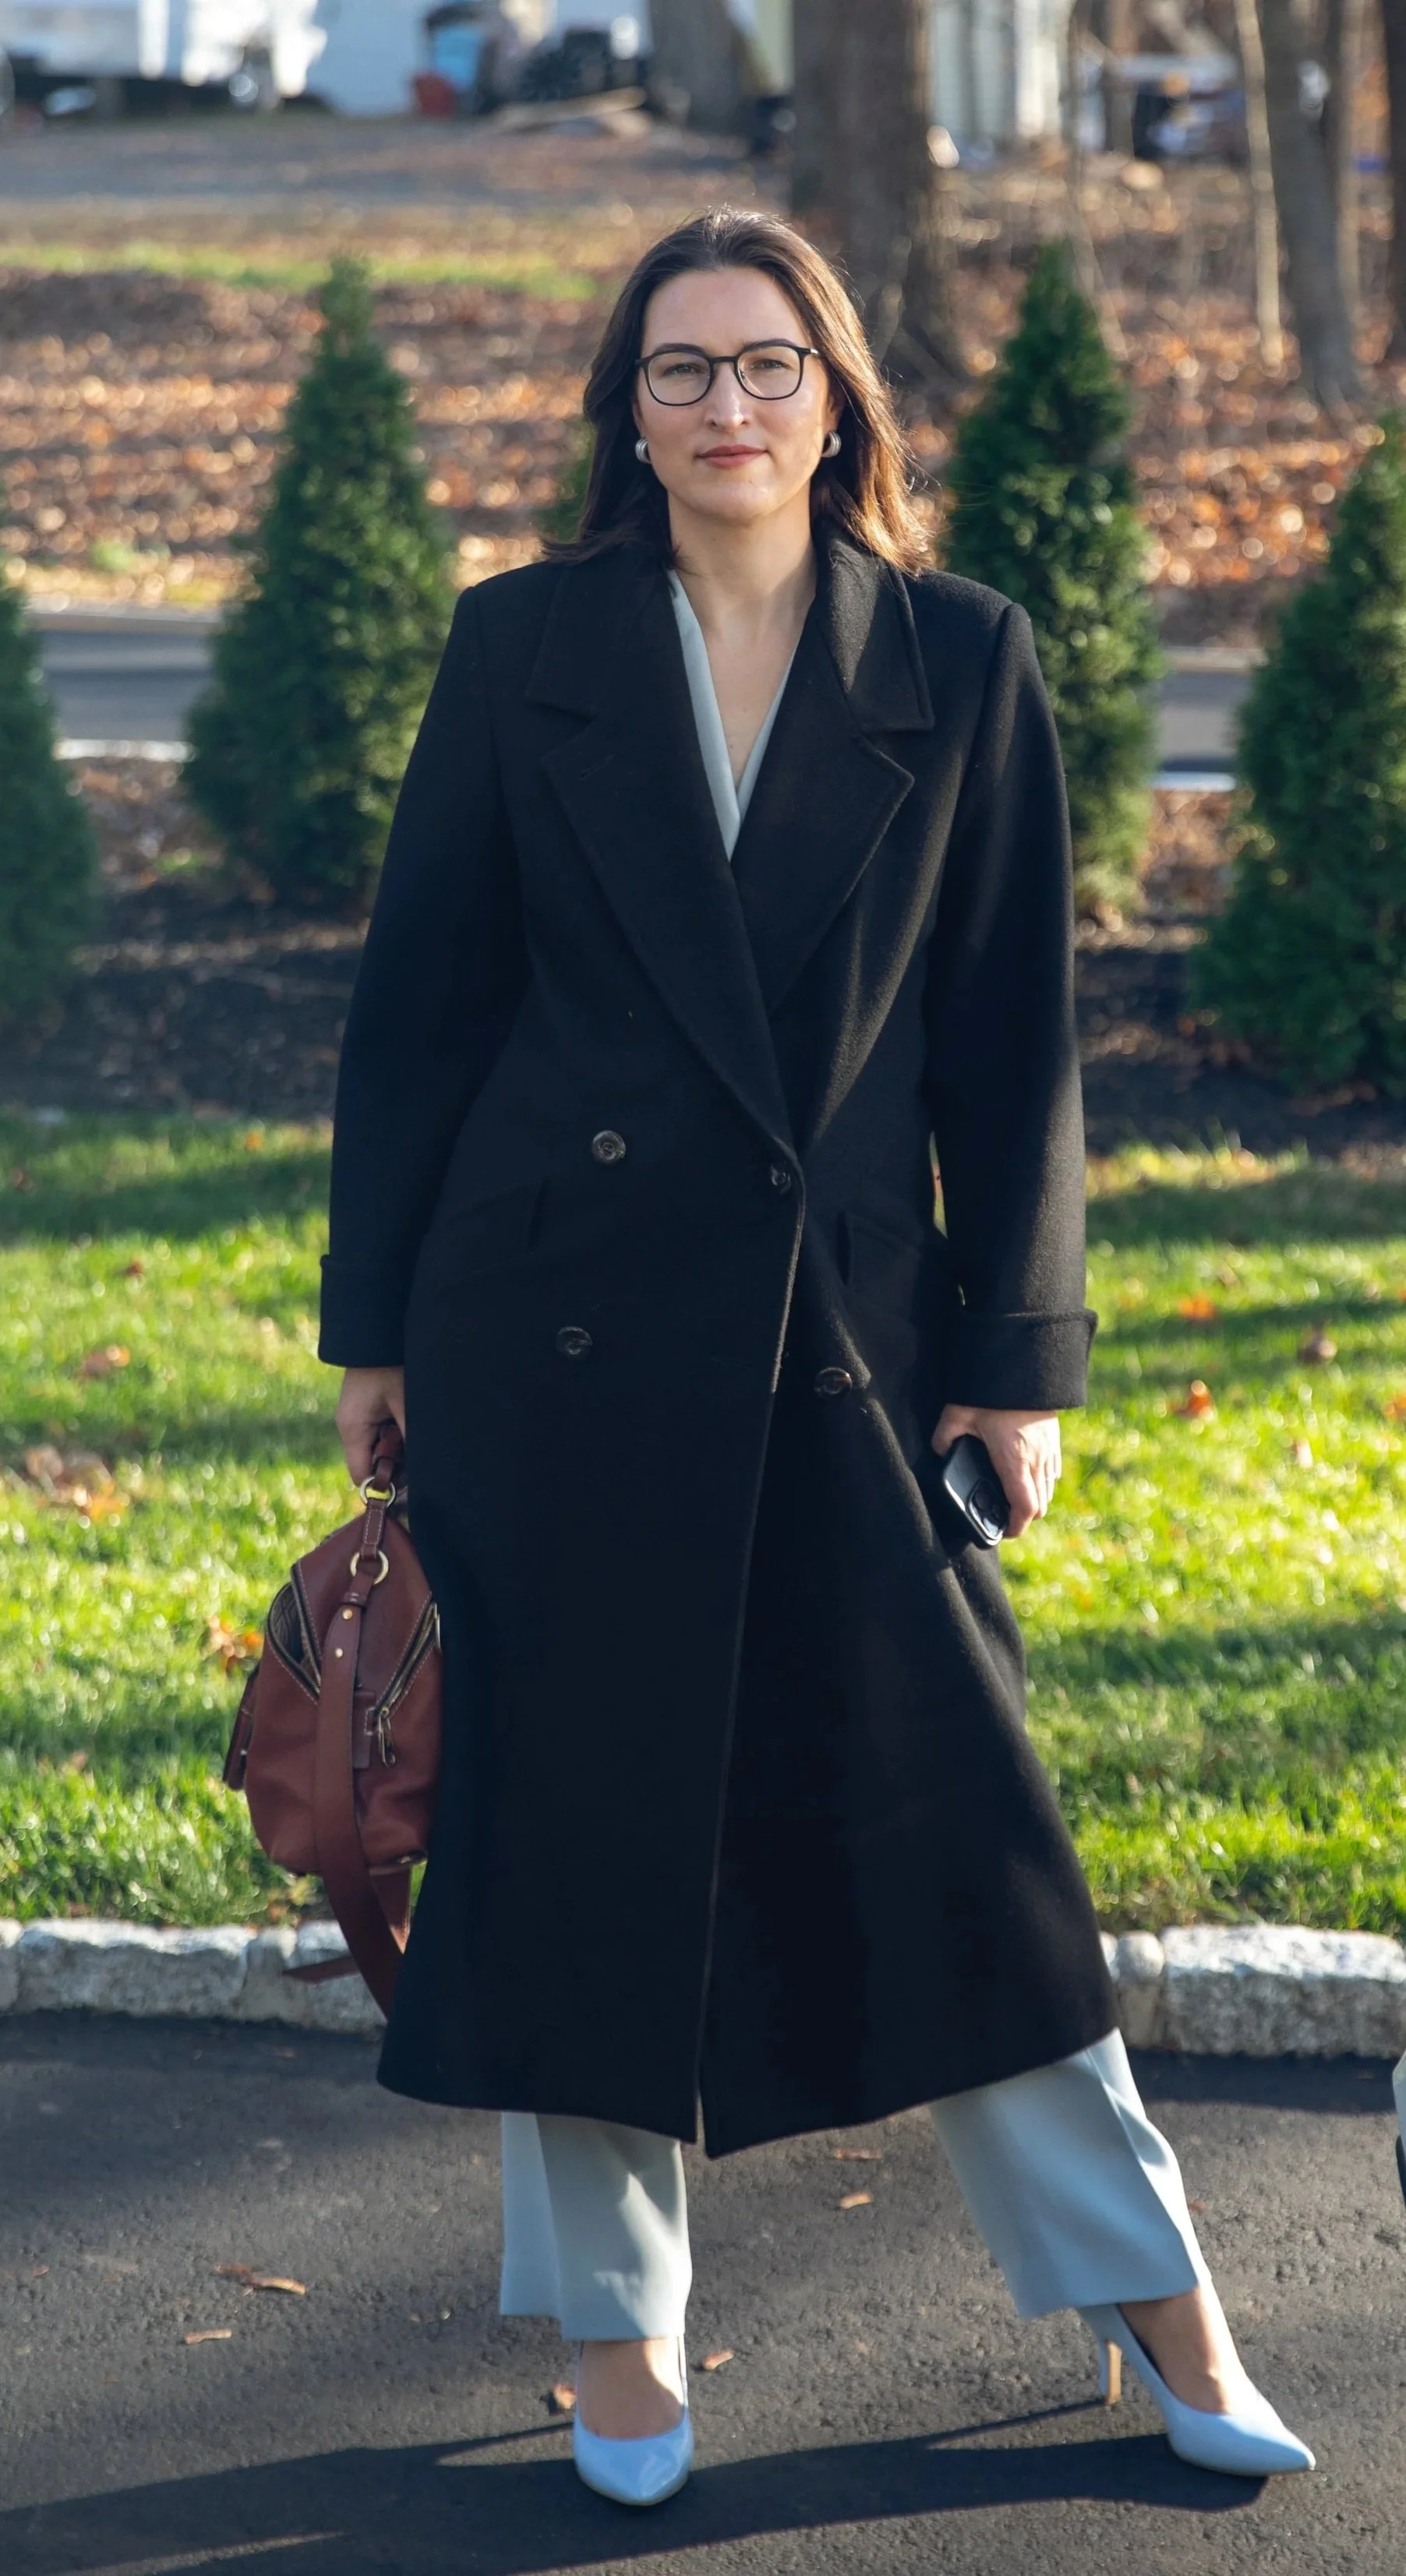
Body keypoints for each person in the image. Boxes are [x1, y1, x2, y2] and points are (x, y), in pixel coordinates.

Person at [320, 206, 1312, 2507]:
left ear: (838, 397)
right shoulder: (523, 650)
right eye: (679, 371)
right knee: (569, 1846)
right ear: (625, 413)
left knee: (965, 1837)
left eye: (766, 366)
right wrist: (372, 1329)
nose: (726, 408)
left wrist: (1020, 1360)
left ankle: (1161, 2314)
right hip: (547, 1336)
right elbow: (420, 1016)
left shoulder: (958, 660)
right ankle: (620, 2342)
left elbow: (1010, 1040)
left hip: (853, 1350)